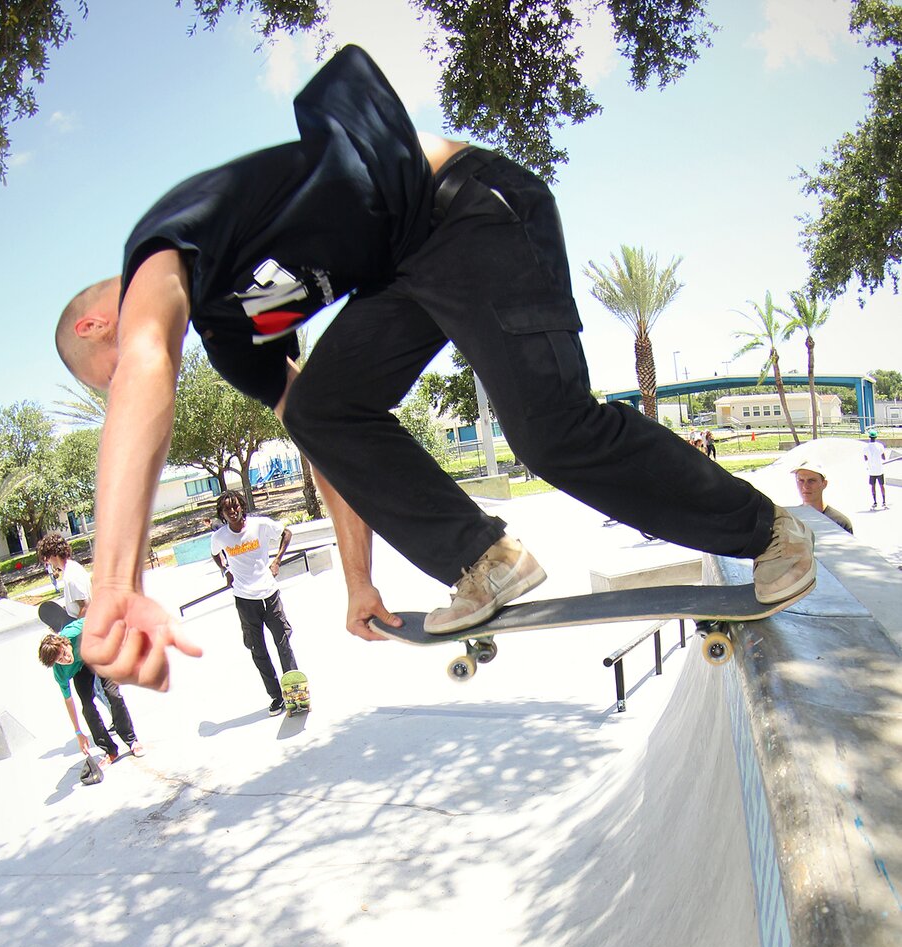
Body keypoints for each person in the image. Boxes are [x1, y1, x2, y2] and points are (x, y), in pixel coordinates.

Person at [55, 44, 815, 692]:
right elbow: (329, 449)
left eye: (110, 376)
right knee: (322, 410)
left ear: (98, 325)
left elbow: (147, 358)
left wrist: (116, 583)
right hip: (408, 269)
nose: (144, 380)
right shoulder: (227, 336)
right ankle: (486, 560)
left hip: (471, 208)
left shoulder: (161, 249)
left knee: (550, 433)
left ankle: (768, 532)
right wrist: (358, 578)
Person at [210, 490, 300, 715]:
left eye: (235, 506)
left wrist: (277, 560)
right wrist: (224, 570)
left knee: (283, 643)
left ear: (241, 506)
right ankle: (276, 697)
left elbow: (286, 533)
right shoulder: (220, 537)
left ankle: (294, 692)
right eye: (227, 509)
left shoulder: (259, 525)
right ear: (222, 514)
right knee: (257, 650)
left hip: (270, 594)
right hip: (244, 600)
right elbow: (215, 553)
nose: (232, 511)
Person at [38, 617, 144, 762]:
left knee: (113, 694)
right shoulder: (60, 673)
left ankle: (132, 741)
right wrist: (78, 732)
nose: (66, 659)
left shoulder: (76, 632)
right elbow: (68, 701)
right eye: (60, 660)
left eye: (64, 653)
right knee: (87, 707)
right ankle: (110, 751)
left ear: (65, 643)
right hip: (80, 671)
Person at [37, 531, 92, 618]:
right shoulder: (73, 567)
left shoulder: (71, 575)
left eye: (46, 558)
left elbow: (86, 607)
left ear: (54, 554)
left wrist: (73, 630)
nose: (47, 562)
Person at [792, 467, 853, 534]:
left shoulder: (840, 523)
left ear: (824, 484)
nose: (805, 486)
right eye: (801, 481)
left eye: (811, 481)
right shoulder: (790, 520)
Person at [863, 428, 888, 509]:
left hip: (871, 470)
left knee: (873, 486)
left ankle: (875, 502)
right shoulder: (880, 446)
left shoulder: (866, 447)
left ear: (869, 437)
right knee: (882, 485)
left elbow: (865, 458)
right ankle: (884, 502)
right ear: (876, 437)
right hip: (880, 469)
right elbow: (884, 457)